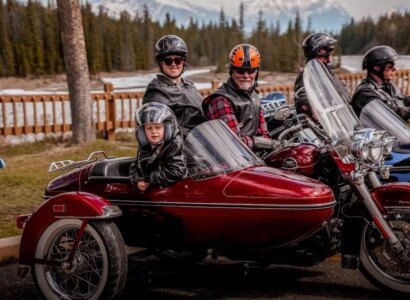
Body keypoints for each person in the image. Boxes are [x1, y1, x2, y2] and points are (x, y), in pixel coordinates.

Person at [202, 43, 276, 151]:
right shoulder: (221, 99)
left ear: (256, 72)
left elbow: (263, 132)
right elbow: (232, 141)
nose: (246, 75)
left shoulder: (254, 96)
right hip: (229, 162)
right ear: (231, 71)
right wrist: (265, 143)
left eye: (251, 70)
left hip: (252, 157)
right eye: (240, 70)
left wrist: (268, 143)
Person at [143, 34, 206, 135]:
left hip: (203, 144)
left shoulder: (189, 86)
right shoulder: (156, 92)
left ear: (183, 62)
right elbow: (156, 132)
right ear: (160, 63)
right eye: (168, 61)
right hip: (180, 148)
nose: (173, 64)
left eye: (178, 60)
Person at [129, 102, 186, 191]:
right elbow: (135, 167)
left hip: (176, 189)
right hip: (154, 192)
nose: (154, 131)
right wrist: (137, 181)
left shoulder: (174, 145)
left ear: (167, 129)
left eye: (158, 127)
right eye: (149, 128)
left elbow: (177, 170)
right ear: (142, 131)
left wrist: (150, 179)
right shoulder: (145, 146)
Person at [294, 32, 349, 119]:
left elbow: (344, 96)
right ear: (321, 51)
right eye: (330, 49)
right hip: (326, 127)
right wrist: (314, 113)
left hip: (344, 122)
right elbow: (303, 99)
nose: (332, 51)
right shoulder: (307, 75)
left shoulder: (327, 72)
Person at [351, 45, 410, 121]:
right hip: (382, 132)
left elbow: (404, 100)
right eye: (389, 66)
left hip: (399, 131)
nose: (394, 69)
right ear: (377, 68)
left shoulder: (389, 86)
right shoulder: (365, 93)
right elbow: (388, 114)